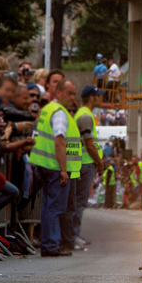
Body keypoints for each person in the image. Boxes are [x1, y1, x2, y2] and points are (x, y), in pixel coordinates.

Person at [28, 77, 82, 257]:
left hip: (42, 164)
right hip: (53, 165)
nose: (72, 97)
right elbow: (59, 141)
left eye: (74, 94)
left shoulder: (48, 109)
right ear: (58, 92)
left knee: (47, 206)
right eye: (69, 93)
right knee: (55, 207)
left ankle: (48, 243)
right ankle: (51, 245)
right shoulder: (59, 112)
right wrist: (64, 169)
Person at [69, 85, 106, 248]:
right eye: (98, 96)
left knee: (77, 201)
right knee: (79, 201)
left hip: (82, 163)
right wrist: (99, 162)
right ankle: (73, 235)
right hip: (84, 163)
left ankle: (73, 234)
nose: (101, 98)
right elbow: (90, 145)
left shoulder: (84, 114)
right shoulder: (85, 116)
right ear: (92, 98)